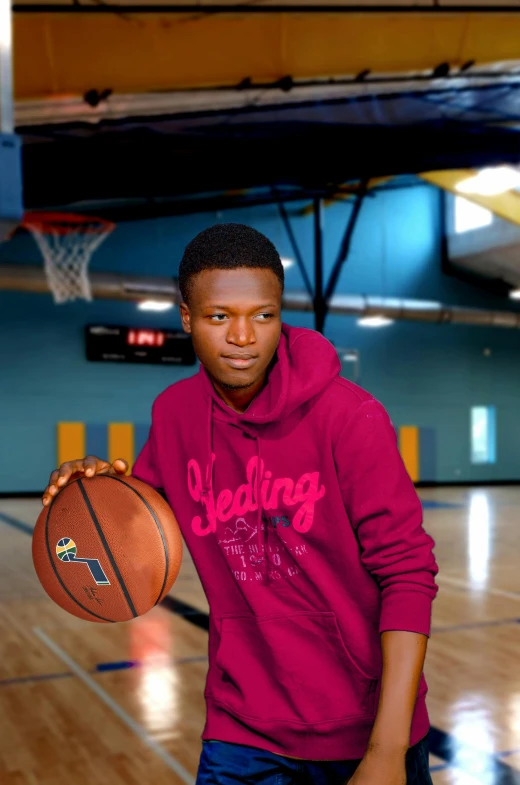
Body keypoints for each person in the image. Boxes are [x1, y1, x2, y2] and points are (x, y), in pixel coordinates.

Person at [42, 223, 439, 785]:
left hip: (367, 727)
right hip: (242, 726)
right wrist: (94, 492)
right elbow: (140, 524)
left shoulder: (351, 418)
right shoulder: (175, 415)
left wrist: (387, 749)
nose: (243, 337)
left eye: (263, 315)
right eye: (219, 316)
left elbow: (408, 575)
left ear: (281, 314)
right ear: (186, 317)